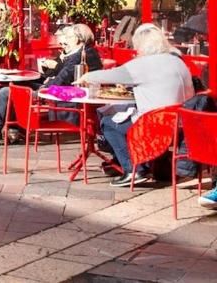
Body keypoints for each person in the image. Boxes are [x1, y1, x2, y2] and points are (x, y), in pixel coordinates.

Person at [77, 25, 194, 187]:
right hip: (181, 127)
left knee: (109, 124)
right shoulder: (178, 61)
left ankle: (134, 169)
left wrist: (87, 76)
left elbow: (111, 75)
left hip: (154, 126)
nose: (135, 51)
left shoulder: (144, 64)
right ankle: (154, 167)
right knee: (126, 115)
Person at [0, 24, 102, 144]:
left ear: (77, 39)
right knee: (12, 87)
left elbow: (62, 78)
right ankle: (14, 130)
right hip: (60, 89)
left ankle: (1, 130)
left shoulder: (81, 55)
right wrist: (47, 80)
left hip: (65, 93)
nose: (65, 41)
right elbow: (60, 74)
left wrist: (45, 86)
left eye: (68, 38)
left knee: (8, 92)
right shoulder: (81, 52)